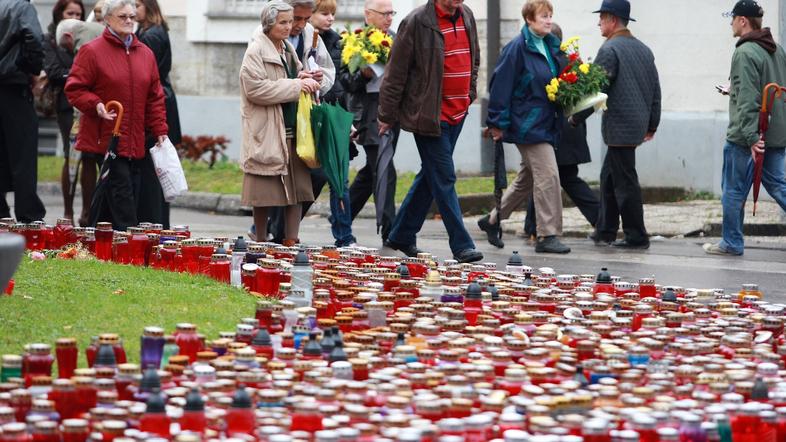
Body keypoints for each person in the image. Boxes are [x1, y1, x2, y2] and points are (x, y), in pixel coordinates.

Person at [378, 0, 483, 263]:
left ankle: (401, 234)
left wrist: (469, 94)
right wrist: (386, 115)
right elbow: (395, 73)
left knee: (431, 176)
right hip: (429, 116)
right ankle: (462, 245)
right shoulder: (416, 22)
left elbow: (475, 56)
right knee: (444, 177)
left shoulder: (466, 14)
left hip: (458, 112)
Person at [65, 0, 169, 231]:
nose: (130, 21)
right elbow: (75, 88)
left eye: (132, 16)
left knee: (118, 194)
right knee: (122, 196)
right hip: (107, 139)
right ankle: (128, 243)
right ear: (107, 19)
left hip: (136, 140)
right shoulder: (92, 51)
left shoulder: (145, 53)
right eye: (123, 17)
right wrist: (96, 105)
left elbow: (155, 96)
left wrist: (160, 129)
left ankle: (98, 240)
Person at [478, 0, 570, 254]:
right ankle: (547, 234)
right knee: (549, 175)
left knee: (527, 179)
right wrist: (496, 123)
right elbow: (500, 86)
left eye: (550, 15)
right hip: (528, 125)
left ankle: (492, 220)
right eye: (543, 16)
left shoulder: (550, 46)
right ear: (529, 19)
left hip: (546, 122)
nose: (549, 20)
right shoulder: (517, 48)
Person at [570, 0, 661, 249]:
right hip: (636, 124)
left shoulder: (610, 49)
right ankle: (605, 229)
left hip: (620, 126)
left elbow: (597, 90)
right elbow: (656, 91)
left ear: (611, 19)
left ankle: (636, 235)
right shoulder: (643, 49)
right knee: (609, 175)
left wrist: (576, 116)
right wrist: (652, 123)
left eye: (601, 17)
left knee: (625, 182)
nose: (598, 22)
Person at [249, 0, 336, 243]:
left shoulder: (290, 44)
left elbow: (309, 72)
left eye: (302, 20)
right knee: (265, 185)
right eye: (288, 21)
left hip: (298, 122)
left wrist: (311, 77)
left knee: (300, 183)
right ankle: (261, 237)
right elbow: (256, 88)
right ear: (270, 23)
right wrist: (298, 83)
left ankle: (289, 239)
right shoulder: (258, 46)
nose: (295, 26)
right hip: (270, 124)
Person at [704, 0, 786, 256]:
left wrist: (751, 137)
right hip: (775, 133)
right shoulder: (776, 49)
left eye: (733, 18)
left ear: (743, 21)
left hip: (747, 137)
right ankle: (731, 242)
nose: (730, 23)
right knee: (780, 186)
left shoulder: (745, 51)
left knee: (733, 191)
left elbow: (750, 97)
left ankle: (731, 242)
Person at [522, 23, 600, 242]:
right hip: (571, 130)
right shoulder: (574, 62)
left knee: (553, 178)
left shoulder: (549, 62)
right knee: (545, 177)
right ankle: (533, 226)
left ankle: (599, 217)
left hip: (557, 131)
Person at [341, 0, 399, 243]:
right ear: (368, 14)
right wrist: (362, 74)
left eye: (391, 13)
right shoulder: (354, 39)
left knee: (371, 172)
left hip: (391, 109)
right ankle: (392, 231)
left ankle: (342, 218)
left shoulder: (395, 38)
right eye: (384, 13)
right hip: (367, 110)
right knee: (385, 169)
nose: (389, 18)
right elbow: (346, 82)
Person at [303, 0, 357, 247]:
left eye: (332, 14)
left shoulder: (337, 41)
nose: (330, 18)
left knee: (340, 179)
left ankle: (344, 236)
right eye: (324, 13)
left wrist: (348, 121)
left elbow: (341, 86)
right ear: (309, 14)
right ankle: (278, 227)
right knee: (312, 178)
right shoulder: (302, 39)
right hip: (309, 116)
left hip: (334, 116)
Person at [0, 0, 47, 223]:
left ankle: (1, 213)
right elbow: (34, 39)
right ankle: (29, 216)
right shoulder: (21, 7)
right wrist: (32, 68)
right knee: (23, 155)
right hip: (14, 84)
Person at [135, 0, 181, 229]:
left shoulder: (151, 36)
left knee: (154, 169)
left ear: (148, 7)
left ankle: (155, 223)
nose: (133, 10)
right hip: (164, 98)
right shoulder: (151, 31)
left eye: (137, 5)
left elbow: (147, 74)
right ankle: (158, 221)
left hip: (158, 102)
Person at [55, 18, 104, 227]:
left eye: (67, 47)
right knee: (88, 158)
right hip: (99, 105)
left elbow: (81, 79)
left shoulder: (82, 37)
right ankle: (87, 213)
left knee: (76, 156)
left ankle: (78, 213)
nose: (70, 50)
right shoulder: (96, 30)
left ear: (68, 37)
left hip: (89, 109)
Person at [43, 0, 85, 223]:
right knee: (71, 157)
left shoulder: (86, 37)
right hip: (66, 105)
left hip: (88, 104)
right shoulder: (51, 39)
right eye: (70, 13)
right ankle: (68, 210)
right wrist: (78, 75)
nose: (74, 18)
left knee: (88, 157)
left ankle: (87, 211)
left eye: (79, 14)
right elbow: (54, 72)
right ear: (60, 14)